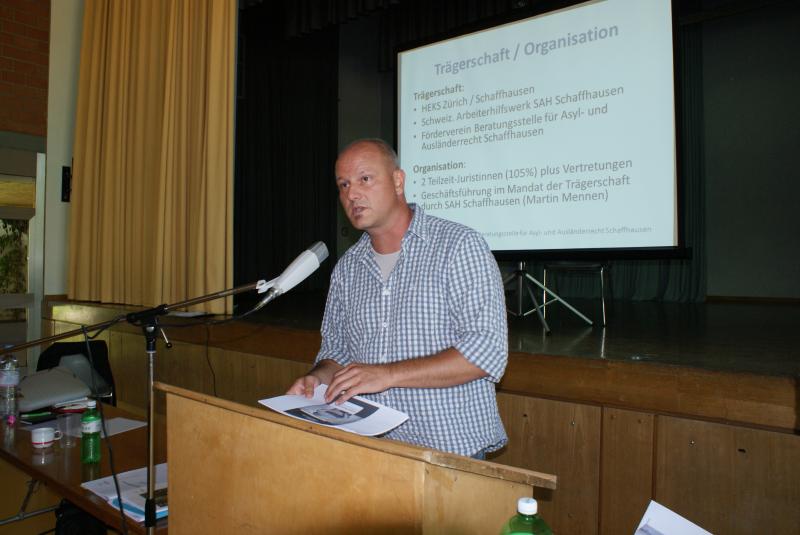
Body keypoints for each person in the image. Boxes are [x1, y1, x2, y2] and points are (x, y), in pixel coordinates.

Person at [287, 138, 508, 457]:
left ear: (398, 181)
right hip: (371, 449)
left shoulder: (458, 246)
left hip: (450, 451)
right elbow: (337, 352)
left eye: (364, 179)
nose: (352, 194)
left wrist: (387, 374)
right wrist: (315, 380)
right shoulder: (348, 269)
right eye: (343, 185)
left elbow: (485, 351)